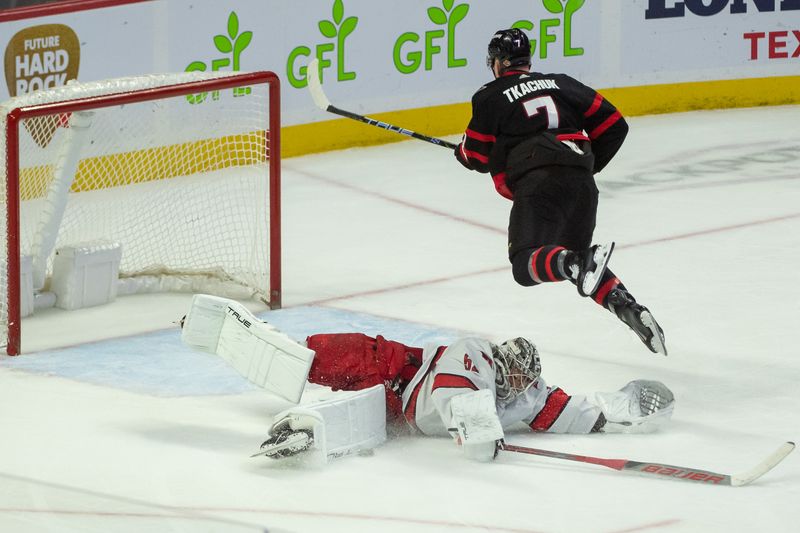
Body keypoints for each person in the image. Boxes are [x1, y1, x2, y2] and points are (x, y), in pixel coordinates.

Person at [453, 28, 666, 356]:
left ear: (498, 62)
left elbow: (477, 157)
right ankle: (629, 308)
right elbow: (614, 125)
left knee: (526, 265)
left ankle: (574, 264)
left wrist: (462, 152)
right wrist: (583, 167)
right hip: (581, 184)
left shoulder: (490, 95)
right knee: (577, 263)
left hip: (539, 182)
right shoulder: (561, 83)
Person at [258, 330, 675, 463]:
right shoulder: (474, 353)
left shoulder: (528, 395)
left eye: (524, 377)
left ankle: (302, 432)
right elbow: (453, 393)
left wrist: (619, 412)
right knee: (346, 354)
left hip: (398, 411)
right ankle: (285, 353)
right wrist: (480, 429)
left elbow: (569, 410)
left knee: (364, 421)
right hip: (397, 372)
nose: (517, 381)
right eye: (512, 370)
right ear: (501, 360)